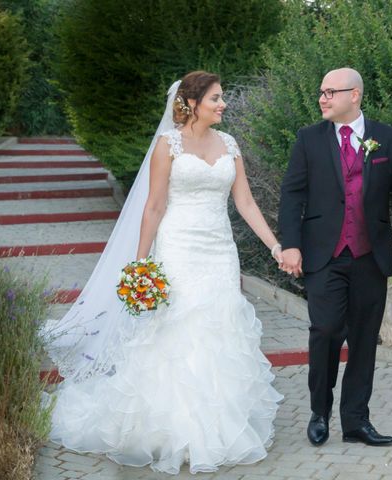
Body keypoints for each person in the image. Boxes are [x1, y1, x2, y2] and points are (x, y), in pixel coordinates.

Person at [43, 71, 283, 474]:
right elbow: (153, 207)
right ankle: (170, 431)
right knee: (176, 332)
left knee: (218, 328)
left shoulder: (230, 144)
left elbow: (245, 202)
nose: (223, 104)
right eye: (216, 98)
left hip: (219, 252)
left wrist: (274, 245)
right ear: (191, 104)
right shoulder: (166, 145)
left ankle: (215, 428)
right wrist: (140, 266)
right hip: (178, 249)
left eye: (221, 98)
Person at [278, 68, 392, 447]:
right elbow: (292, 194)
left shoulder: (388, 138)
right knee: (325, 330)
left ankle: (356, 420)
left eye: (330, 92)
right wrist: (290, 243)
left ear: (354, 95)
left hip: (371, 256)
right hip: (324, 254)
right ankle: (319, 413)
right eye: (321, 92)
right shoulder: (308, 139)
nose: (322, 98)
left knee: (363, 339)